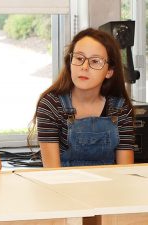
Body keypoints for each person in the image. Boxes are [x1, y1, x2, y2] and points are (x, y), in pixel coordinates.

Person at [29, 28, 135, 167]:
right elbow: (52, 173)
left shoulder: (120, 108)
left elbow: (125, 172)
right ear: (70, 63)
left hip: (109, 187)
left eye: (95, 61)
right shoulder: (51, 105)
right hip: (62, 186)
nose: (84, 67)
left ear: (109, 71)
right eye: (79, 58)